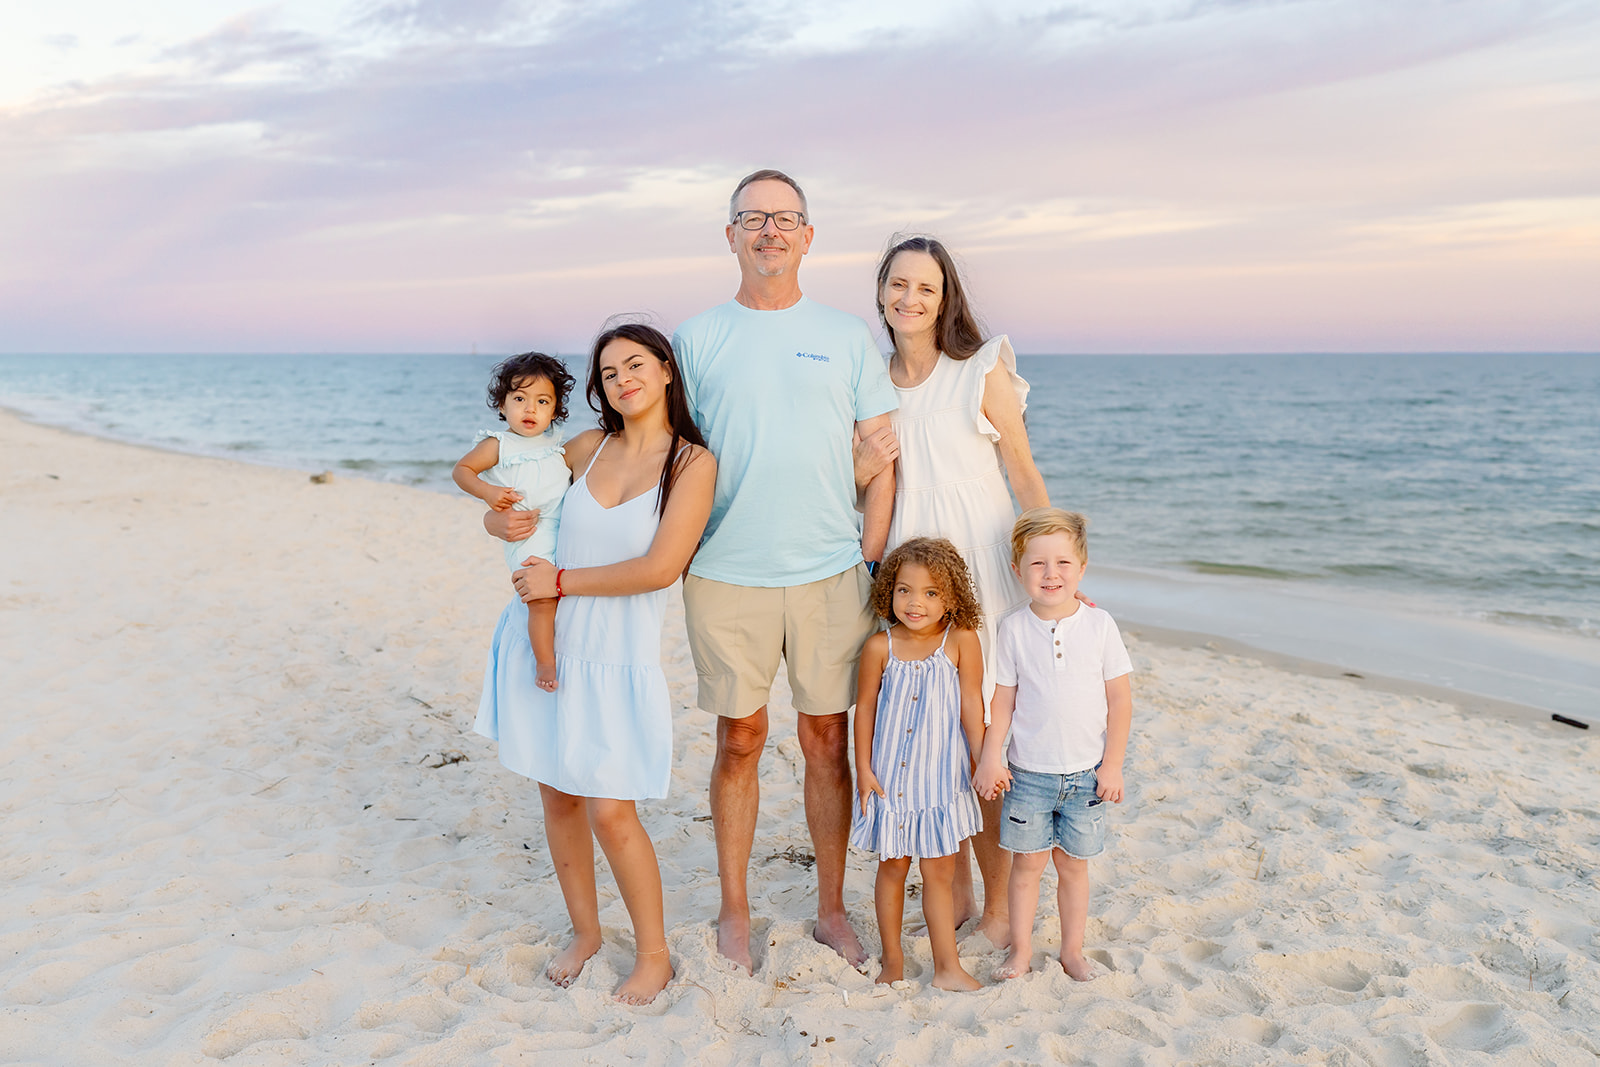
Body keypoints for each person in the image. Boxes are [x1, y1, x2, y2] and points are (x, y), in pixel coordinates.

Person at [671, 169, 899, 972]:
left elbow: (883, 457)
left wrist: (870, 556)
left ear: (808, 236)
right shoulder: (695, 338)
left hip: (831, 572)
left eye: (785, 217)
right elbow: (666, 453)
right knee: (739, 738)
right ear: (730, 234)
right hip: (724, 571)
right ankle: (734, 909)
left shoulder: (845, 335)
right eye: (753, 217)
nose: (769, 229)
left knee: (826, 739)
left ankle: (832, 908)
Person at [474, 323, 716, 1005]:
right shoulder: (584, 447)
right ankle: (585, 933)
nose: (622, 380)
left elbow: (660, 568)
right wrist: (498, 522)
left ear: (665, 370)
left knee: (612, 810)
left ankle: (654, 954)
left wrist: (559, 581)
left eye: (634, 365)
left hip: (616, 655)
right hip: (546, 643)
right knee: (559, 795)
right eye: (608, 373)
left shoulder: (691, 464)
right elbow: (514, 500)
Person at [853, 235, 1053, 948]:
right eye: (898, 284)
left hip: (982, 565)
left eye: (926, 288)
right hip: (914, 579)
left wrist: (1051, 568)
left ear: (946, 299)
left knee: (988, 736)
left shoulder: (978, 368)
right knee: (939, 738)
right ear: (881, 291)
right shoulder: (870, 381)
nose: (909, 299)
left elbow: (1023, 472)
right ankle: (960, 896)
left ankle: (999, 909)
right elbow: (863, 488)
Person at [973, 508, 1133, 983]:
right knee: (1026, 868)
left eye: (1063, 563)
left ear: (1081, 568)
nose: (1051, 573)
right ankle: (1021, 951)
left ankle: (1072, 953)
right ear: (1017, 570)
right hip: (1029, 775)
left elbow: (1120, 700)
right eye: (1038, 564)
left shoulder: (1100, 625)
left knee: (1073, 868)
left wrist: (1113, 765)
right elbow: (1003, 700)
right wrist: (991, 756)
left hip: (1087, 774)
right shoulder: (1013, 629)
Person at [850, 538, 986, 991]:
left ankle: (947, 967)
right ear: (889, 590)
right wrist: (863, 769)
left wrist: (983, 760)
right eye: (904, 590)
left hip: (941, 781)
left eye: (931, 593)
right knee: (892, 868)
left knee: (939, 873)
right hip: (890, 781)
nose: (915, 602)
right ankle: (892, 961)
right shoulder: (879, 647)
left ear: (951, 596)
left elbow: (972, 707)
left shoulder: (961, 642)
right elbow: (865, 710)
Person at [453, 352, 576, 692]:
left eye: (542, 401)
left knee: (567, 593)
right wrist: (487, 492)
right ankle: (545, 662)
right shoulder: (499, 444)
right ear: (502, 405)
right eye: (520, 399)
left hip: (559, 527)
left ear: (555, 410)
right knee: (541, 598)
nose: (530, 409)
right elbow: (461, 471)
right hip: (527, 532)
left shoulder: (555, 441)